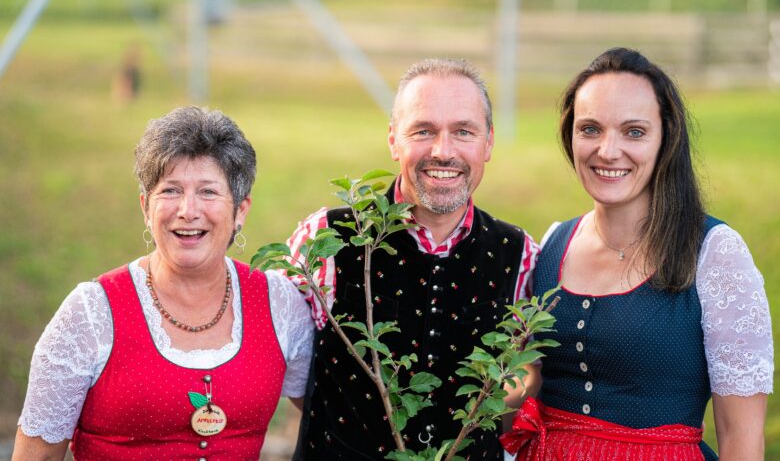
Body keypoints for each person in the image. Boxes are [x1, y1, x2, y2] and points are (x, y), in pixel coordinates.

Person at [501, 48, 773, 460]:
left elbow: (742, 439)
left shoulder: (715, 252)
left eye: (634, 132)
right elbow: (520, 392)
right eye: (590, 129)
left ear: (666, 138)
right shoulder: (555, 242)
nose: (608, 151)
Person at [13, 107, 314, 460]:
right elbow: (37, 456)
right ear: (145, 207)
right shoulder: (91, 314)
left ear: (241, 210)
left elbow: (334, 423)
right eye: (170, 191)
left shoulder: (281, 305)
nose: (188, 210)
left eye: (208, 192)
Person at [286, 58, 540, 460]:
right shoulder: (324, 240)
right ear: (393, 140)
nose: (443, 151)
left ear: (487, 142)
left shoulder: (520, 255)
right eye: (423, 131)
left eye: (463, 132)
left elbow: (531, 382)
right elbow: (282, 368)